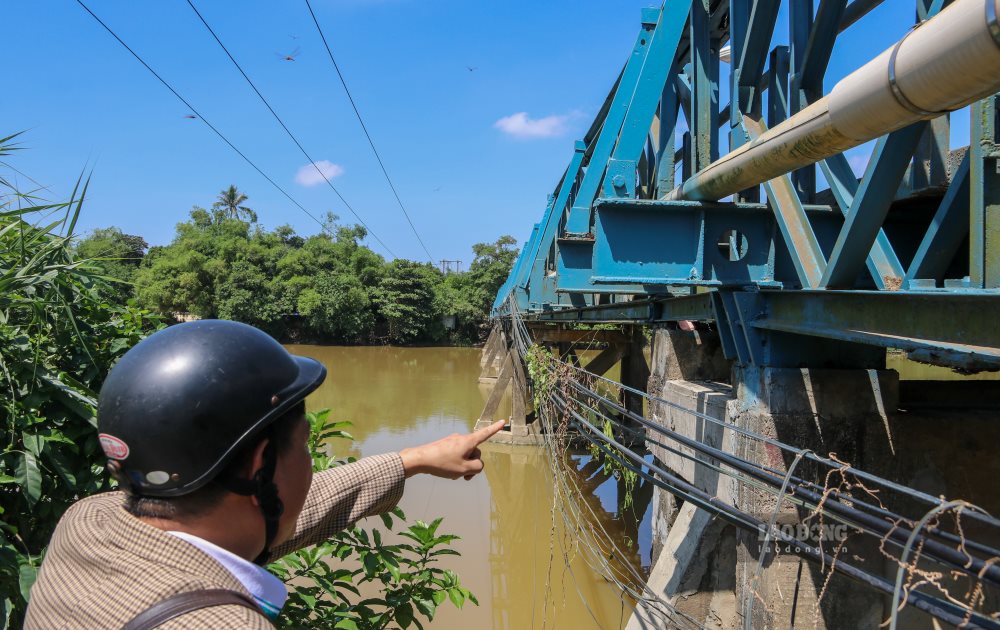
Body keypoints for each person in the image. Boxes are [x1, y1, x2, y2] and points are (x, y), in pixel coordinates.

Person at [24, 320, 505, 629]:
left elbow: (282, 512)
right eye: (303, 446)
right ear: (259, 468)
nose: (310, 465)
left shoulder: (87, 521)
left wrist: (412, 459)